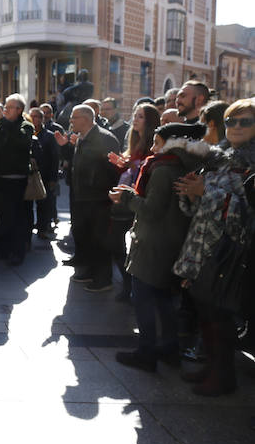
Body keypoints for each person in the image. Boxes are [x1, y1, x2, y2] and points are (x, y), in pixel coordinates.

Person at [173, 98, 255, 396]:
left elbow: (245, 214)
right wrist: (192, 192)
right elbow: (202, 203)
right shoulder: (221, 156)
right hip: (202, 244)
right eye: (232, 120)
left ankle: (223, 376)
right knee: (204, 311)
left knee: (219, 316)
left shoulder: (250, 163)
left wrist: (204, 190)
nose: (235, 126)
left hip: (230, 252)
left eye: (245, 121)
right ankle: (213, 367)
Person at [111, 123, 209, 372]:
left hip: (154, 242)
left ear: (170, 143)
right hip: (170, 240)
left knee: (142, 298)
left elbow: (152, 211)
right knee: (163, 298)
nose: (152, 148)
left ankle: (147, 353)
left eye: (156, 143)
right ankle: (168, 348)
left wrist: (126, 196)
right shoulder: (183, 164)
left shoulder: (164, 168)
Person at [56, 104, 121, 291]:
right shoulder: (82, 138)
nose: (70, 121)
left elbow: (112, 169)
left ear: (85, 118)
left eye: (74, 117)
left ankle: (103, 279)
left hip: (98, 198)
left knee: (99, 239)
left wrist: (101, 189)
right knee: (86, 236)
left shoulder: (105, 138)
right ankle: (90, 272)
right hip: (82, 196)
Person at [106, 103, 161, 300]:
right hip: (123, 201)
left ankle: (132, 287)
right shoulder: (133, 142)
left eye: (140, 116)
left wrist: (130, 166)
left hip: (138, 203)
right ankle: (127, 283)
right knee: (116, 245)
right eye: (135, 115)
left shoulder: (153, 146)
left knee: (132, 247)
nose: (135, 120)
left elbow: (146, 174)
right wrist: (121, 165)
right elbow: (127, 173)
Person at [0, 93, 35, 266]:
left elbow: (20, 142)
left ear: (19, 110)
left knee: (16, 218)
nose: (5, 111)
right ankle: (2, 250)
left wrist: (4, 122)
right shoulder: (1, 126)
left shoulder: (26, 126)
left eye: (8, 108)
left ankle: (17, 253)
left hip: (16, 179)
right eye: (5, 108)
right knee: (1, 217)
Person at [29, 107, 60, 240]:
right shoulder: (26, 133)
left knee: (43, 204)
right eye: (32, 116)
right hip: (29, 175)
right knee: (28, 205)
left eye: (37, 116)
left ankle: (43, 228)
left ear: (42, 119)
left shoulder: (49, 136)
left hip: (45, 175)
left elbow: (55, 158)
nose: (34, 119)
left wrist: (53, 178)